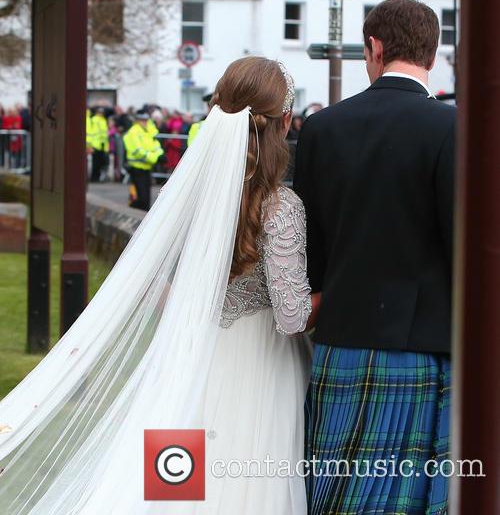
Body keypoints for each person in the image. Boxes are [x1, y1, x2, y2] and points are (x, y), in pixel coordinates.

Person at [0, 57, 315, 514]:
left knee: (175, 478)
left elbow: (157, 286)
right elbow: (292, 317)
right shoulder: (281, 206)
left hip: (189, 353)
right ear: (284, 122)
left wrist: (199, 305)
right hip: (262, 364)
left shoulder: (183, 192)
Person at [294, 0, 456, 514]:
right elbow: (462, 247)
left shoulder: (321, 129)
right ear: (432, 56)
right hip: (425, 348)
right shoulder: (452, 129)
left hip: (341, 341)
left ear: (374, 47)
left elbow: (309, 247)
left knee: (338, 494)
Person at [123, 112, 164, 211]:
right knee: (142, 197)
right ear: (137, 121)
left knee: (146, 196)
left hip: (146, 167)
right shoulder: (134, 132)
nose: (145, 122)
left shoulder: (147, 131)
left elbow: (155, 145)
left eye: (146, 120)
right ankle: (135, 210)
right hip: (137, 167)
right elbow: (138, 151)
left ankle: (141, 212)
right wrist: (155, 157)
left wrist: (160, 154)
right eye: (142, 120)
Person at [86, 107, 110, 182]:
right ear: (97, 112)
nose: (101, 114)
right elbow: (90, 133)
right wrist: (89, 145)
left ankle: (98, 178)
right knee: (95, 163)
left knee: (100, 163)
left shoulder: (103, 120)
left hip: (102, 145)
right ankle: (94, 178)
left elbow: (105, 134)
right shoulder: (93, 120)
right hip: (95, 144)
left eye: (102, 112)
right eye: (100, 112)